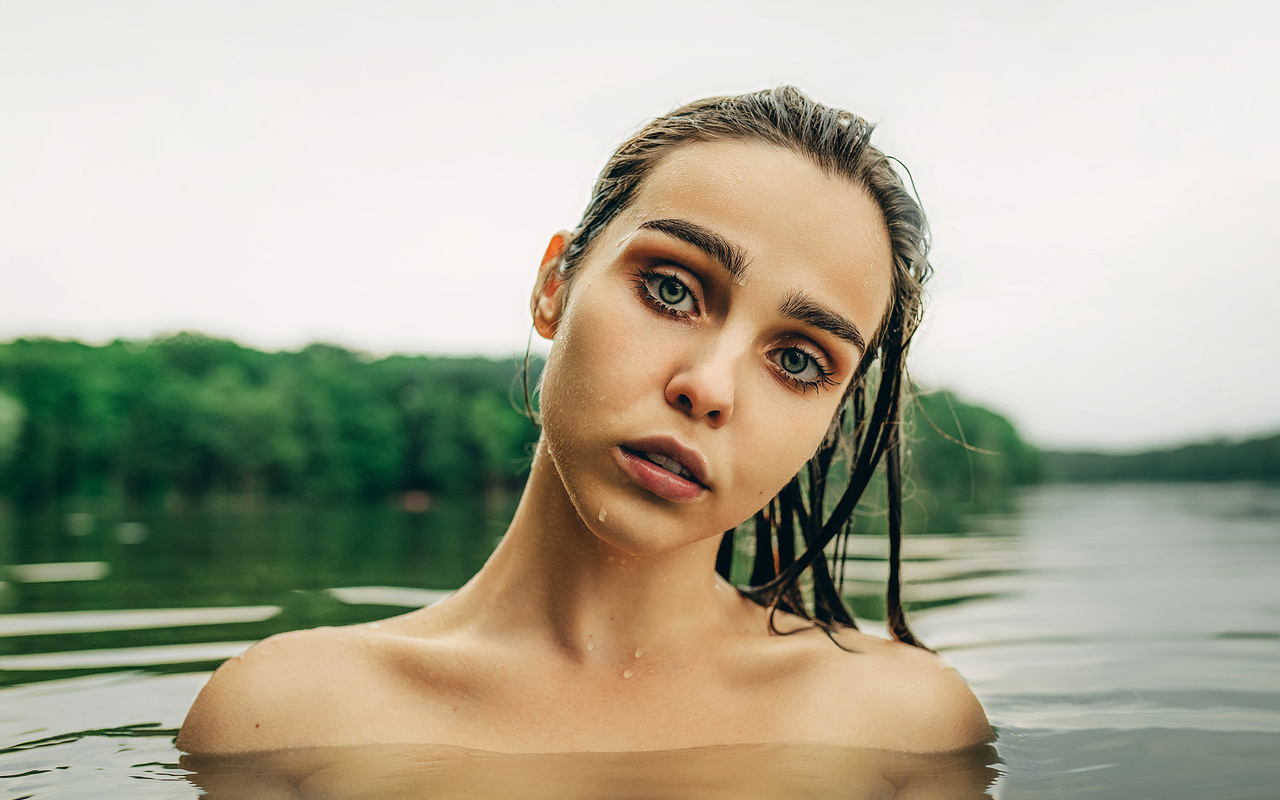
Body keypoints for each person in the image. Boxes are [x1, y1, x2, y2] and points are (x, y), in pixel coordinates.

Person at [177, 86, 992, 758]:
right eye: (672, 288)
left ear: (832, 424)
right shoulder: (283, 721)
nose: (708, 387)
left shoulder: (908, 729)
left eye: (799, 360)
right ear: (554, 287)